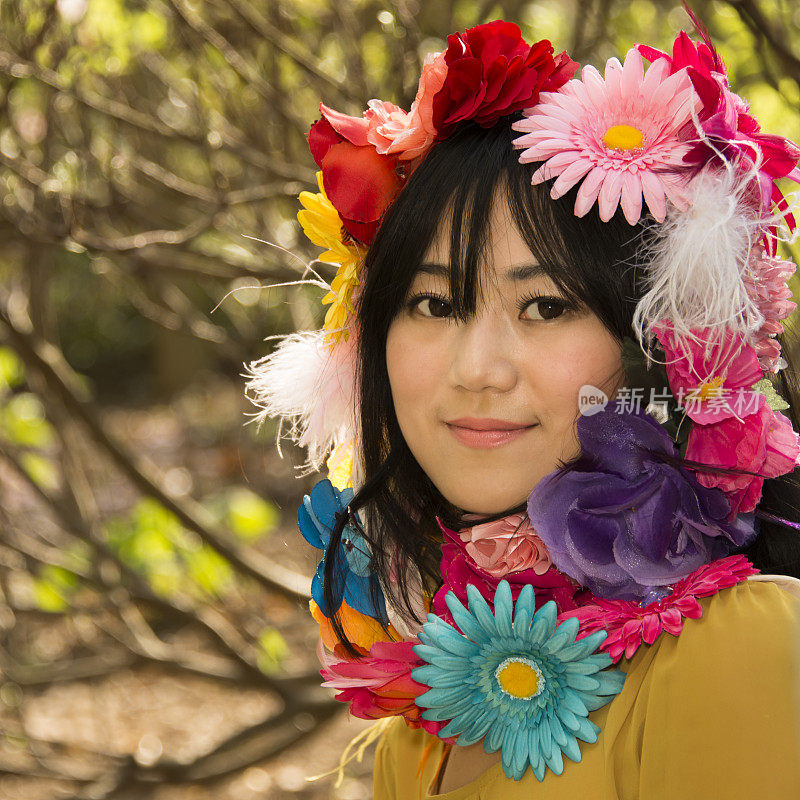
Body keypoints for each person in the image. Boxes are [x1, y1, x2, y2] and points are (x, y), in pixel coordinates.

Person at [244, 16, 800, 799]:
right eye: (434, 303)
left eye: (544, 307)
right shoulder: (424, 728)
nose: (477, 370)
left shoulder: (735, 647)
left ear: (661, 347)